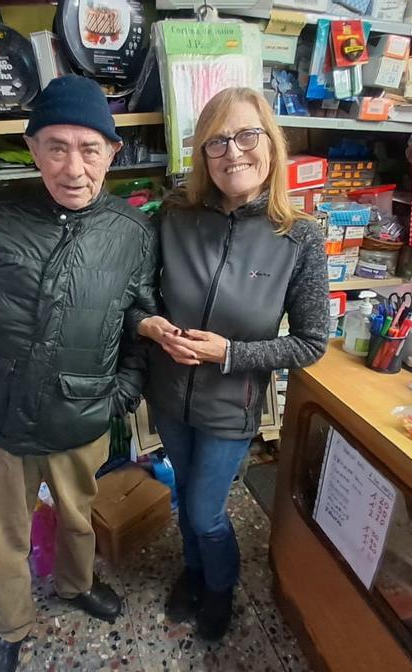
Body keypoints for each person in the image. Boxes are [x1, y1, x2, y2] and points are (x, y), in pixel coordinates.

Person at [0, 75, 156, 672]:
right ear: (33, 150)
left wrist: (121, 395)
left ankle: (75, 585)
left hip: (82, 412)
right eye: (56, 147)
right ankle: (8, 627)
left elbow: (142, 323)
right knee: (1, 531)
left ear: (113, 153)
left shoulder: (133, 233)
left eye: (90, 149)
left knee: (78, 514)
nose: (74, 167)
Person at [132, 87, 329, 640]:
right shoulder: (173, 215)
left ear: (271, 143)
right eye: (216, 141)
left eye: (247, 135)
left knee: (205, 512)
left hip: (231, 406)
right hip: (169, 395)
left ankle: (219, 589)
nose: (233, 152)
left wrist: (232, 353)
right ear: (202, 155)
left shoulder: (300, 238)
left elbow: (313, 342)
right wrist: (151, 324)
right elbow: (139, 296)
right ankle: (193, 574)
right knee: (186, 497)